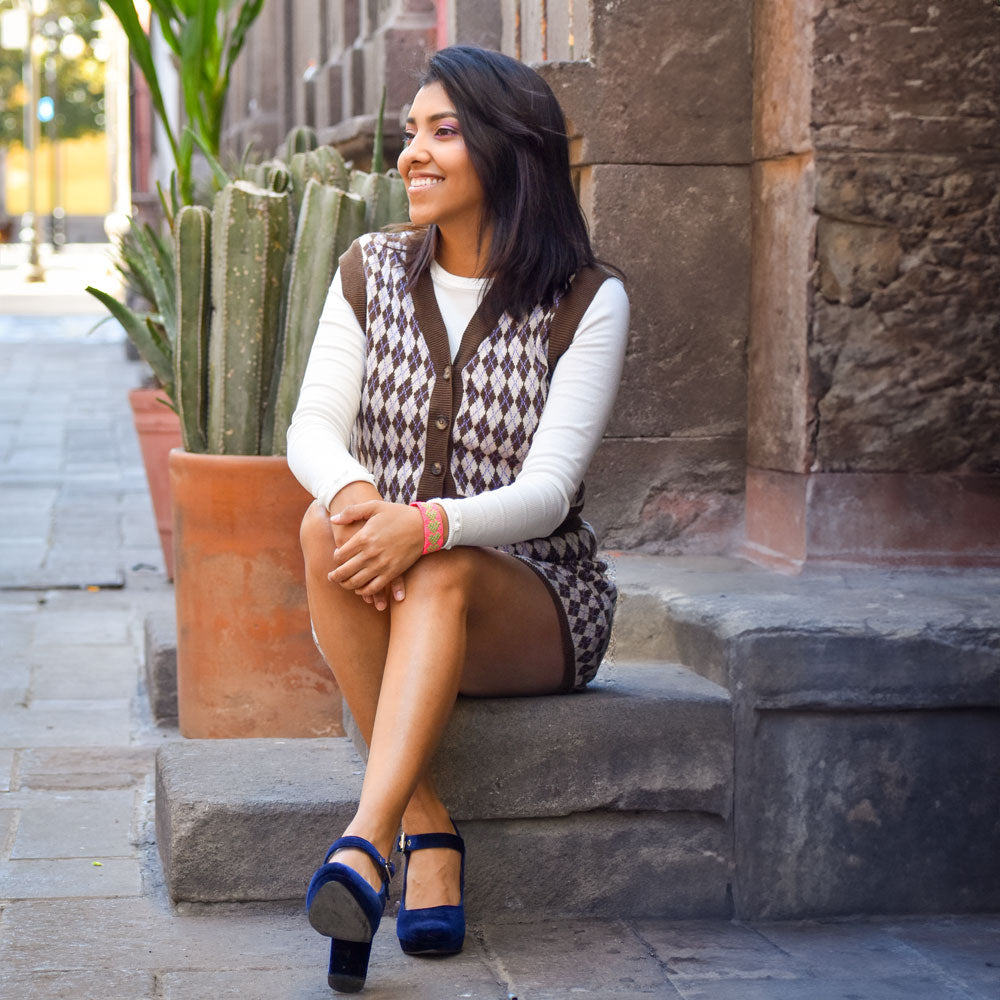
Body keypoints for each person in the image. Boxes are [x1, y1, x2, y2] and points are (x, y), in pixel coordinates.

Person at [288, 45, 630, 993]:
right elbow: (311, 427)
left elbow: (551, 491)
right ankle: (418, 826)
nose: (413, 155)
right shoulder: (371, 268)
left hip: (537, 602)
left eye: (444, 132)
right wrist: (364, 503)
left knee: (437, 562)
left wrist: (424, 526)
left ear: (509, 149)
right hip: (395, 576)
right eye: (411, 133)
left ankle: (365, 835)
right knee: (325, 526)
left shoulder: (587, 301)